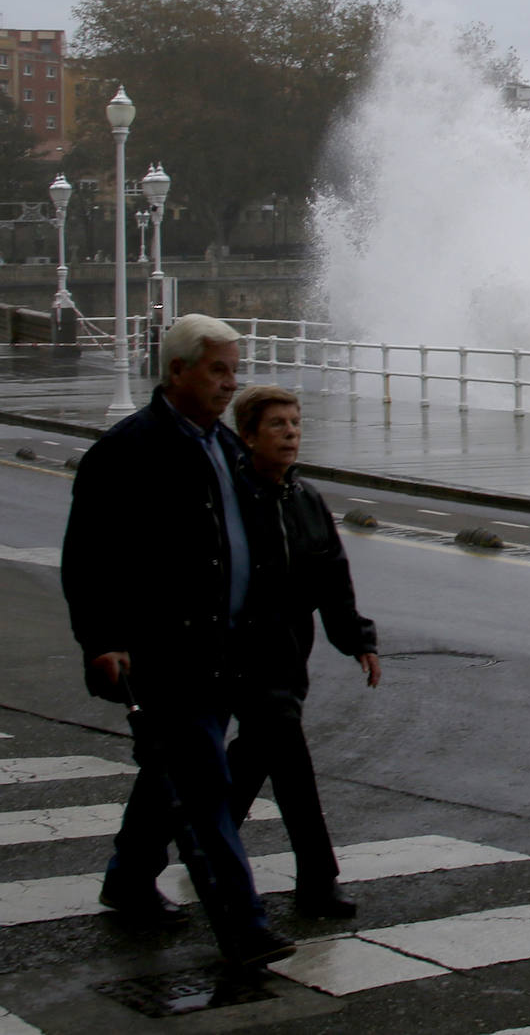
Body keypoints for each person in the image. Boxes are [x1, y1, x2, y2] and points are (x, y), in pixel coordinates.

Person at [61, 313, 295, 968]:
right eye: (217, 369)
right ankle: (243, 926)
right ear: (177, 371)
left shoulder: (220, 446)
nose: (231, 382)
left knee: (170, 774)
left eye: (233, 367)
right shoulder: (129, 451)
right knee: (203, 787)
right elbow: (88, 559)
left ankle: (129, 879)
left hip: (222, 650)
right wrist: (103, 640)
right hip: (164, 653)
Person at [228, 385, 380, 919]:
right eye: (277, 425)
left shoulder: (306, 499)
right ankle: (317, 880)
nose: (291, 433)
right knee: (290, 763)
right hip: (240, 652)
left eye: (295, 423)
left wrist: (357, 639)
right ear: (248, 436)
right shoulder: (230, 499)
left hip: (289, 653)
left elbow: (331, 578)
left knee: (250, 758)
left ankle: (183, 848)